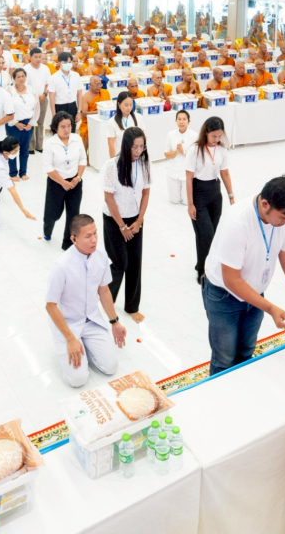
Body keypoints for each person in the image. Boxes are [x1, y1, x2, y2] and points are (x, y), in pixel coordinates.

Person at [202, 176, 285, 375]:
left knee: (246, 351)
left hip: (255, 295)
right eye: (283, 218)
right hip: (224, 296)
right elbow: (231, 279)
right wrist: (270, 308)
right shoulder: (237, 222)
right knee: (224, 359)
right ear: (265, 204)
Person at [45, 214, 128, 387]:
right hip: (67, 324)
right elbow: (50, 306)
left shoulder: (101, 256)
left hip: (91, 320)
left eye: (95, 233)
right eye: (88, 236)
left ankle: (87, 346)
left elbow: (104, 290)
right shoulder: (61, 266)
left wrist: (115, 322)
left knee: (110, 367)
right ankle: (71, 343)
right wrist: (70, 339)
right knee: (78, 380)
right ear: (74, 239)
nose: (94, 240)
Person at [101, 127, 151, 323]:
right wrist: (122, 226)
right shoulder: (112, 165)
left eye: (141, 147)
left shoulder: (144, 164)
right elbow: (109, 198)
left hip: (135, 220)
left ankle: (132, 306)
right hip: (114, 220)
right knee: (120, 262)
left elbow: (146, 193)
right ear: (126, 146)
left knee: (135, 263)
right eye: (134, 147)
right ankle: (106, 299)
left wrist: (139, 221)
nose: (138, 151)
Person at [186, 116, 236, 285]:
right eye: (213, 136)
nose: (216, 139)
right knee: (205, 234)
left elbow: (225, 173)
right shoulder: (195, 150)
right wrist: (190, 204)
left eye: (219, 136)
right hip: (199, 193)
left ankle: (207, 266)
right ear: (206, 133)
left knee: (213, 234)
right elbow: (188, 178)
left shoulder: (222, 150)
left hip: (215, 193)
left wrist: (231, 196)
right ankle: (202, 270)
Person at [42, 111, 87, 249]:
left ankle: (68, 243)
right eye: (63, 126)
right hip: (56, 182)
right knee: (53, 213)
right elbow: (48, 168)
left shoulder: (77, 139)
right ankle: (47, 229)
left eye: (69, 126)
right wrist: (63, 183)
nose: (67, 129)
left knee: (73, 214)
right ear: (56, 127)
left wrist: (78, 177)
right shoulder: (50, 144)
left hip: (75, 182)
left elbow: (83, 159)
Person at [6, 67, 38, 181]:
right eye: (18, 77)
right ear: (14, 78)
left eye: (23, 76)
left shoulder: (31, 90)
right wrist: (15, 123)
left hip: (28, 123)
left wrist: (31, 122)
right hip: (13, 124)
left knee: (25, 149)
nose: (21, 79)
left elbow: (36, 108)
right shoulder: (9, 91)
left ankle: (23, 172)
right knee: (12, 149)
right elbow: (6, 109)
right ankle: (13, 173)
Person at [163, 110, 196, 204]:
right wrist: (177, 152)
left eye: (184, 119)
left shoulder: (194, 135)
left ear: (189, 121)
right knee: (174, 201)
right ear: (175, 120)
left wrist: (183, 152)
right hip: (173, 171)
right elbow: (166, 154)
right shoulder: (171, 134)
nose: (181, 122)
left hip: (187, 172)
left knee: (187, 202)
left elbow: (196, 156)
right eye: (179, 119)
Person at [25, 47, 51, 153]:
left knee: (40, 123)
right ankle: (30, 146)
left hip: (43, 98)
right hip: (30, 100)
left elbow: (48, 84)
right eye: (36, 57)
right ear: (30, 57)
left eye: (40, 57)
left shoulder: (45, 69)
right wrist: (33, 97)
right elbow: (25, 86)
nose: (38, 59)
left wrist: (44, 94)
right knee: (31, 122)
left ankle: (39, 146)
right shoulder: (26, 69)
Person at [48, 51, 81, 125]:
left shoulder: (76, 75)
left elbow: (79, 94)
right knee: (60, 129)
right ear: (59, 63)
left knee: (71, 129)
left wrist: (79, 112)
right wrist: (54, 114)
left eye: (69, 62)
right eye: (65, 62)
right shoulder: (54, 77)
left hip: (72, 106)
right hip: (59, 106)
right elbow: (52, 97)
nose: (68, 64)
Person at [107, 91, 139, 159]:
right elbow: (111, 144)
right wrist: (113, 160)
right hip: (120, 157)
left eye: (131, 105)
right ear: (119, 104)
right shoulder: (112, 122)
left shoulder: (138, 118)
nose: (129, 108)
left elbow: (143, 139)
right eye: (126, 105)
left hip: (135, 156)